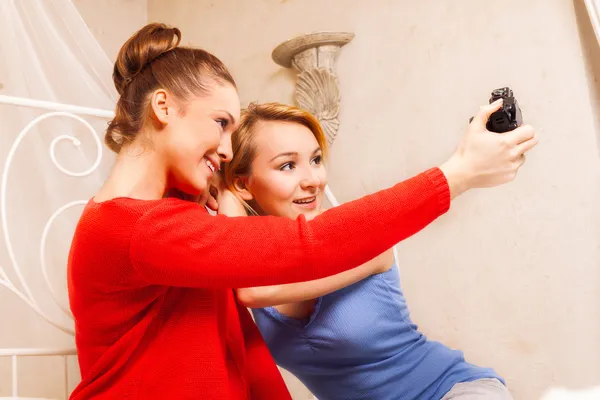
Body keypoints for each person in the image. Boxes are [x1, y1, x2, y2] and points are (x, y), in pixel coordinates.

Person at [66, 22, 538, 399]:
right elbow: (304, 247)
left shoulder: (170, 224)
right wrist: (457, 175)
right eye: (220, 123)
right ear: (163, 107)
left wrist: (208, 185)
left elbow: (241, 347)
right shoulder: (135, 228)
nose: (226, 149)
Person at [221, 102, 521, 400]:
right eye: (288, 165)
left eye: (315, 160)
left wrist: (224, 192)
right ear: (243, 184)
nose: (313, 180)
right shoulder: (252, 257)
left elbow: (253, 288)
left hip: (448, 392)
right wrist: (227, 190)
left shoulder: (360, 236)